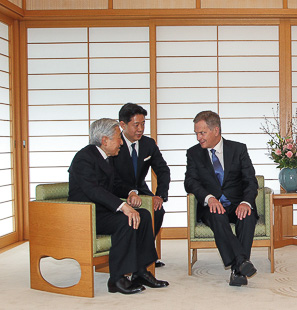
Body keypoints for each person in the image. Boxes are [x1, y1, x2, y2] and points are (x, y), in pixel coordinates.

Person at [68, 118, 169, 294]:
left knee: (144, 215)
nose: (121, 142)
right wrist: (122, 206)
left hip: (102, 210)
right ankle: (116, 278)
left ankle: (140, 271)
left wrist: (130, 192)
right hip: (86, 214)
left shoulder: (105, 157)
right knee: (126, 220)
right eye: (118, 138)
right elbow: (93, 190)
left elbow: (115, 184)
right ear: (104, 140)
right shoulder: (84, 158)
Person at [184, 110, 259, 287]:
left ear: (215, 130)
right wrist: (208, 198)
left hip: (236, 203)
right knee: (217, 216)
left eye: (202, 133)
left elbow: (250, 181)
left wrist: (245, 202)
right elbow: (190, 182)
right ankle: (241, 263)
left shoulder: (238, 149)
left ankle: (237, 268)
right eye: (196, 133)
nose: (198, 138)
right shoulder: (193, 153)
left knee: (247, 216)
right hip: (212, 206)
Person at [112, 103, 170, 268]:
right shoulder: (114, 144)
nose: (140, 129)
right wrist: (129, 193)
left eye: (143, 124)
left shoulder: (148, 144)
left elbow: (163, 170)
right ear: (122, 125)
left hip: (141, 189)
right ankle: (134, 255)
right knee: (129, 216)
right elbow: (111, 178)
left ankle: (144, 252)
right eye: (136, 125)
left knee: (157, 210)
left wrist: (160, 195)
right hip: (118, 191)